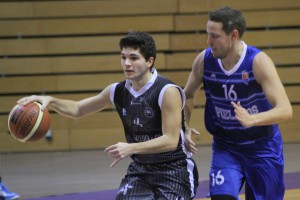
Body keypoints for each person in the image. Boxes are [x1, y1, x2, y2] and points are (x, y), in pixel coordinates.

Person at [18, 31, 199, 199]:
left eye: (133, 58)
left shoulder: (166, 91)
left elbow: (170, 140)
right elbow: (78, 109)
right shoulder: (117, 91)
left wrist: (131, 148)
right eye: (123, 57)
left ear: (149, 61)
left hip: (174, 170)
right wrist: (50, 100)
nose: (126, 63)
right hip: (141, 170)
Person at [183, 6, 293, 200]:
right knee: (221, 197)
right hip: (226, 146)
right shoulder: (204, 60)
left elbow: (285, 110)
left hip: (262, 147)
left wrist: (252, 119)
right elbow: (187, 95)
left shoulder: (257, 62)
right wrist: (183, 127)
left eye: (214, 36)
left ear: (233, 35)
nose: (208, 41)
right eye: (208, 35)